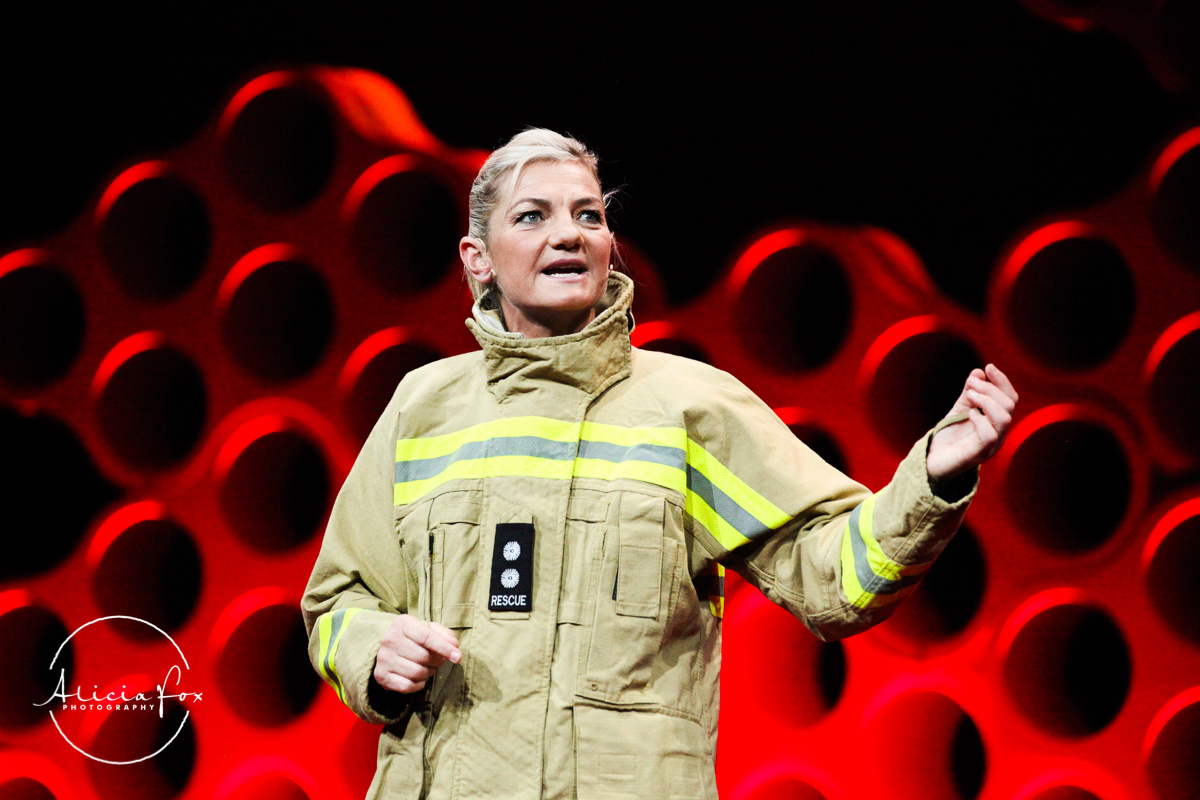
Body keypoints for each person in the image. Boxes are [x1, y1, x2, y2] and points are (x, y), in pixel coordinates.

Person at [302, 129, 1017, 800]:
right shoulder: (422, 408)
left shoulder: (688, 407)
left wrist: (933, 479)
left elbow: (835, 580)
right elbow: (337, 603)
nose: (568, 234)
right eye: (532, 216)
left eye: (588, 214)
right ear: (476, 258)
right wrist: (373, 647)